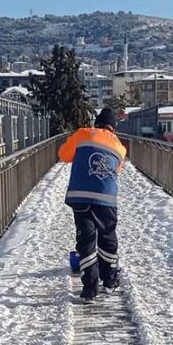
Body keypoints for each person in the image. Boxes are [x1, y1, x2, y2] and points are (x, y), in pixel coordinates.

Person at [58, 108, 127, 302]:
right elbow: (116, 170)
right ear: (113, 128)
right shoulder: (120, 146)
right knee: (107, 238)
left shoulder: (82, 133)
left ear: (96, 123)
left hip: (80, 197)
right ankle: (110, 280)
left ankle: (89, 289)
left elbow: (64, 155)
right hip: (106, 198)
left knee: (86, 240)